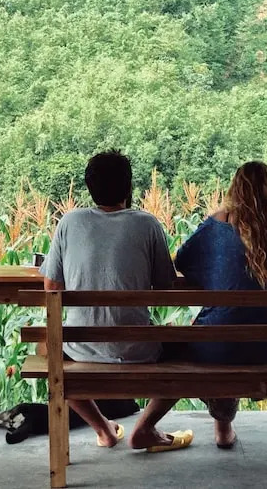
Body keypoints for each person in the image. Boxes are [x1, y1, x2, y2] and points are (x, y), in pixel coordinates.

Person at [129, 161, 267, 450]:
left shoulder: (216, 226)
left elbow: (182, 262)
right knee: (225, 336)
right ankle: (223, 430)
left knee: (201, 343)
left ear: (235, 190)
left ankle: (147, 426)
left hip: (217, 349)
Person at [40, 150, 190, 451]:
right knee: (192, 353)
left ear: (89, 187)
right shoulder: (147, 224)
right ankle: (145, 428)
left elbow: (52, 286)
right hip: (139, 350)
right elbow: (165, 286)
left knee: (46, 348)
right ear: (128, 186)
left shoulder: (69, 222)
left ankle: (104, 430)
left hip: (79, 350)